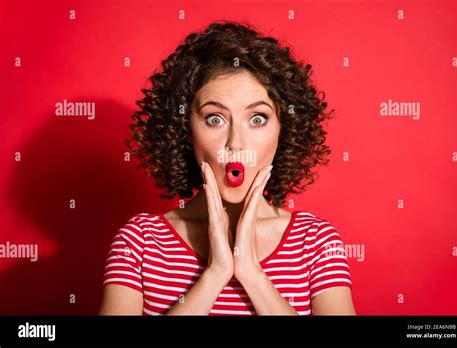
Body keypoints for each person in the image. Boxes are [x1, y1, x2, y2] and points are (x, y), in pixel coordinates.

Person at [99, 20, 356, 315]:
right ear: (185, 129)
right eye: (214, 119)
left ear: (283, 131)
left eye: (257, 118)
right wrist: (215, 274)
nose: (236, 143)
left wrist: (251, 272)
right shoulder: (139, 242)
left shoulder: (317, 242)